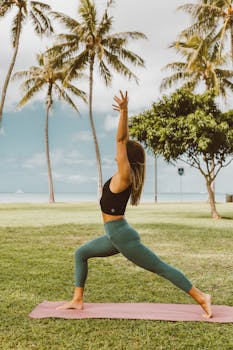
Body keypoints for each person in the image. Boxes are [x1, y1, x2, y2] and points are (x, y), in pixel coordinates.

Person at [57, 90, 212, 318]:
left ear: (125, 158)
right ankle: (77, 299)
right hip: (114, 235)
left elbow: (121, 139)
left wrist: (124, 111)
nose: (117, 151)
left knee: (161, 268)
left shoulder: (125, 175)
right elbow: (122, 144)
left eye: (121, 152)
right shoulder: (121, 176)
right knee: (81, 253)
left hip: (121, 236)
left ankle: (201, 296)